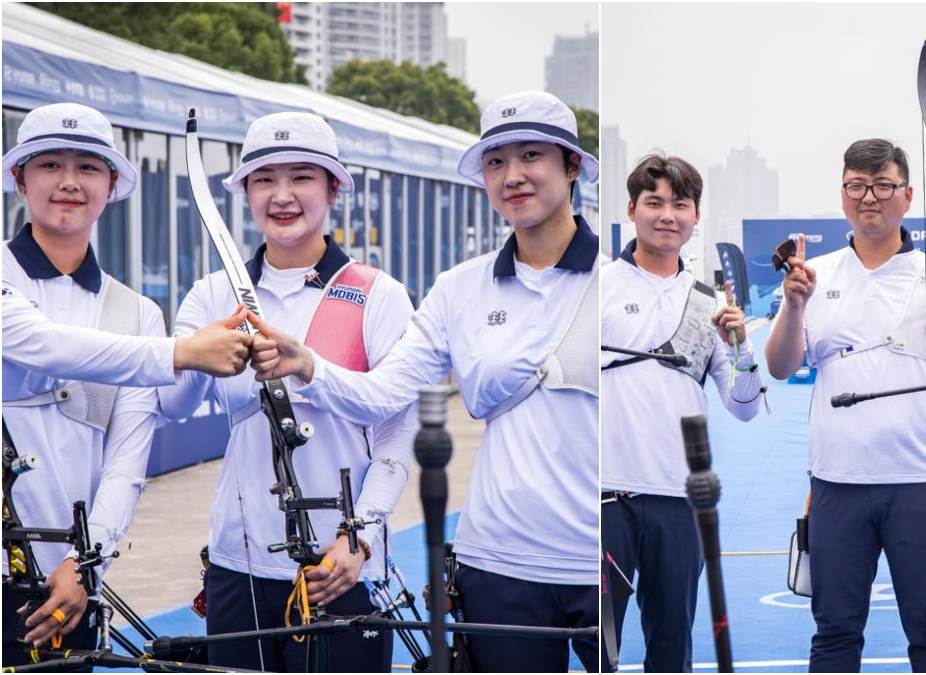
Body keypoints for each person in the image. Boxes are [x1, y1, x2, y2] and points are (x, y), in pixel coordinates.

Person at [247, 90, 601, 672]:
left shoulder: (612, 281)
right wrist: (307, 363)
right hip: (498, 563)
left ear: (570, 165)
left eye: (531, 156)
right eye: (495, 162)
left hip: (600, 559)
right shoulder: (458, 289)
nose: (512, 176)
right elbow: (385, 395)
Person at [156, 112, 416, 672]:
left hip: (340, 566)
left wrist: (360, 538)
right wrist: (194, 351)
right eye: (264, 178)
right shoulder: (209, 294)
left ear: (333, 188)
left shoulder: (378, 293)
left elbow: (398, 431)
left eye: (301, 176)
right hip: (238, 565)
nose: (282, 195)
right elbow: (171, 406)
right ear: (246, 191)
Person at [0, 102, 249, 666]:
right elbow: (45, 343)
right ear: (20, 178)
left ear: (112, 184)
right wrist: (184, 352)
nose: (69, 182)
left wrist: (86, 566)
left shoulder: (136, 313)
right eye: (49, 165)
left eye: (88, 167)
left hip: (69, 586)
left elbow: (125, 464)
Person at [763, 139, 926, 673]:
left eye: (883, 186)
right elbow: (779, 365)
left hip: (923, 482)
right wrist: (793, 307)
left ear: (907, 196)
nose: (870, 197)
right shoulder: (813, 276)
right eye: (857, 186)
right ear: (843, 195)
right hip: (837, 483)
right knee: (835, 632)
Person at [600, 153, 763, 672]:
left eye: (680, 204)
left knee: (672, 648)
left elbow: (745, 408)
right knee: (598, 647)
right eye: (654, 202)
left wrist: (740, 348)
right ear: (632, 209)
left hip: (680, 501)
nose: (667, 214)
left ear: (695, 218)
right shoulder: (594, 288)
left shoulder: (709, 302)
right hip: (604, 497)